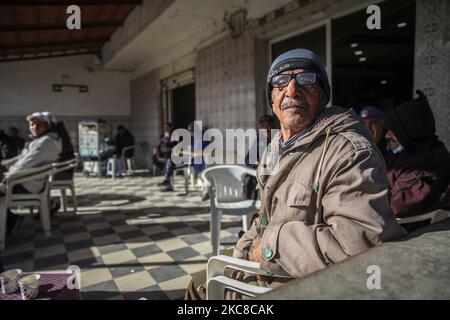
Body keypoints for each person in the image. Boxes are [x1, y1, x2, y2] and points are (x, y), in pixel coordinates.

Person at [185, 48, 405, 300]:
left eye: (306, 80)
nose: (291, 90)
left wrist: (269, 248)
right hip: (266, 265)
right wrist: (241, 250)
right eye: (280, 82)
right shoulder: (274, 149)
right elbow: (265, 219)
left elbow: (363, 245)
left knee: (198, 290)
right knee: (199, 280)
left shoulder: (348, 151)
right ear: (272, 100)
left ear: (323, 97)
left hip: (300, 283)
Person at [384, 90, 450, 230]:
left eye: (393, 130)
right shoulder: (404, 155)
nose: (387, 135)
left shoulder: (431, 160)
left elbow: (397, 205)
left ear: (410, 130)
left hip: (408, 232)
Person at [1, 112, 62, 234]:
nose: (34, 127)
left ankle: (8, 221)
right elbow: (21, 159)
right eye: (32, 124)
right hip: (24, 180)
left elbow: (26, 164)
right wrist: (4, 166)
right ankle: (10, 219)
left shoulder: (46, 142)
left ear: (47, 126)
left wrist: (5, 175)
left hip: (26, 184)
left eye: (39, 125)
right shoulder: (40, 140)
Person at [156, 123, 177, 191]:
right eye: (164, 127)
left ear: (170, 128)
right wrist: (158, 154)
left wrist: (169, 149)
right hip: (164, 154)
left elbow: (177, 146)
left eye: (166, 127)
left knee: (169, 162)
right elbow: (158, 145)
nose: (165, 129)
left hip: (172, 154)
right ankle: (166, 176)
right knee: (155, 159)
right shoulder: (162, 135)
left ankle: (167, 180)